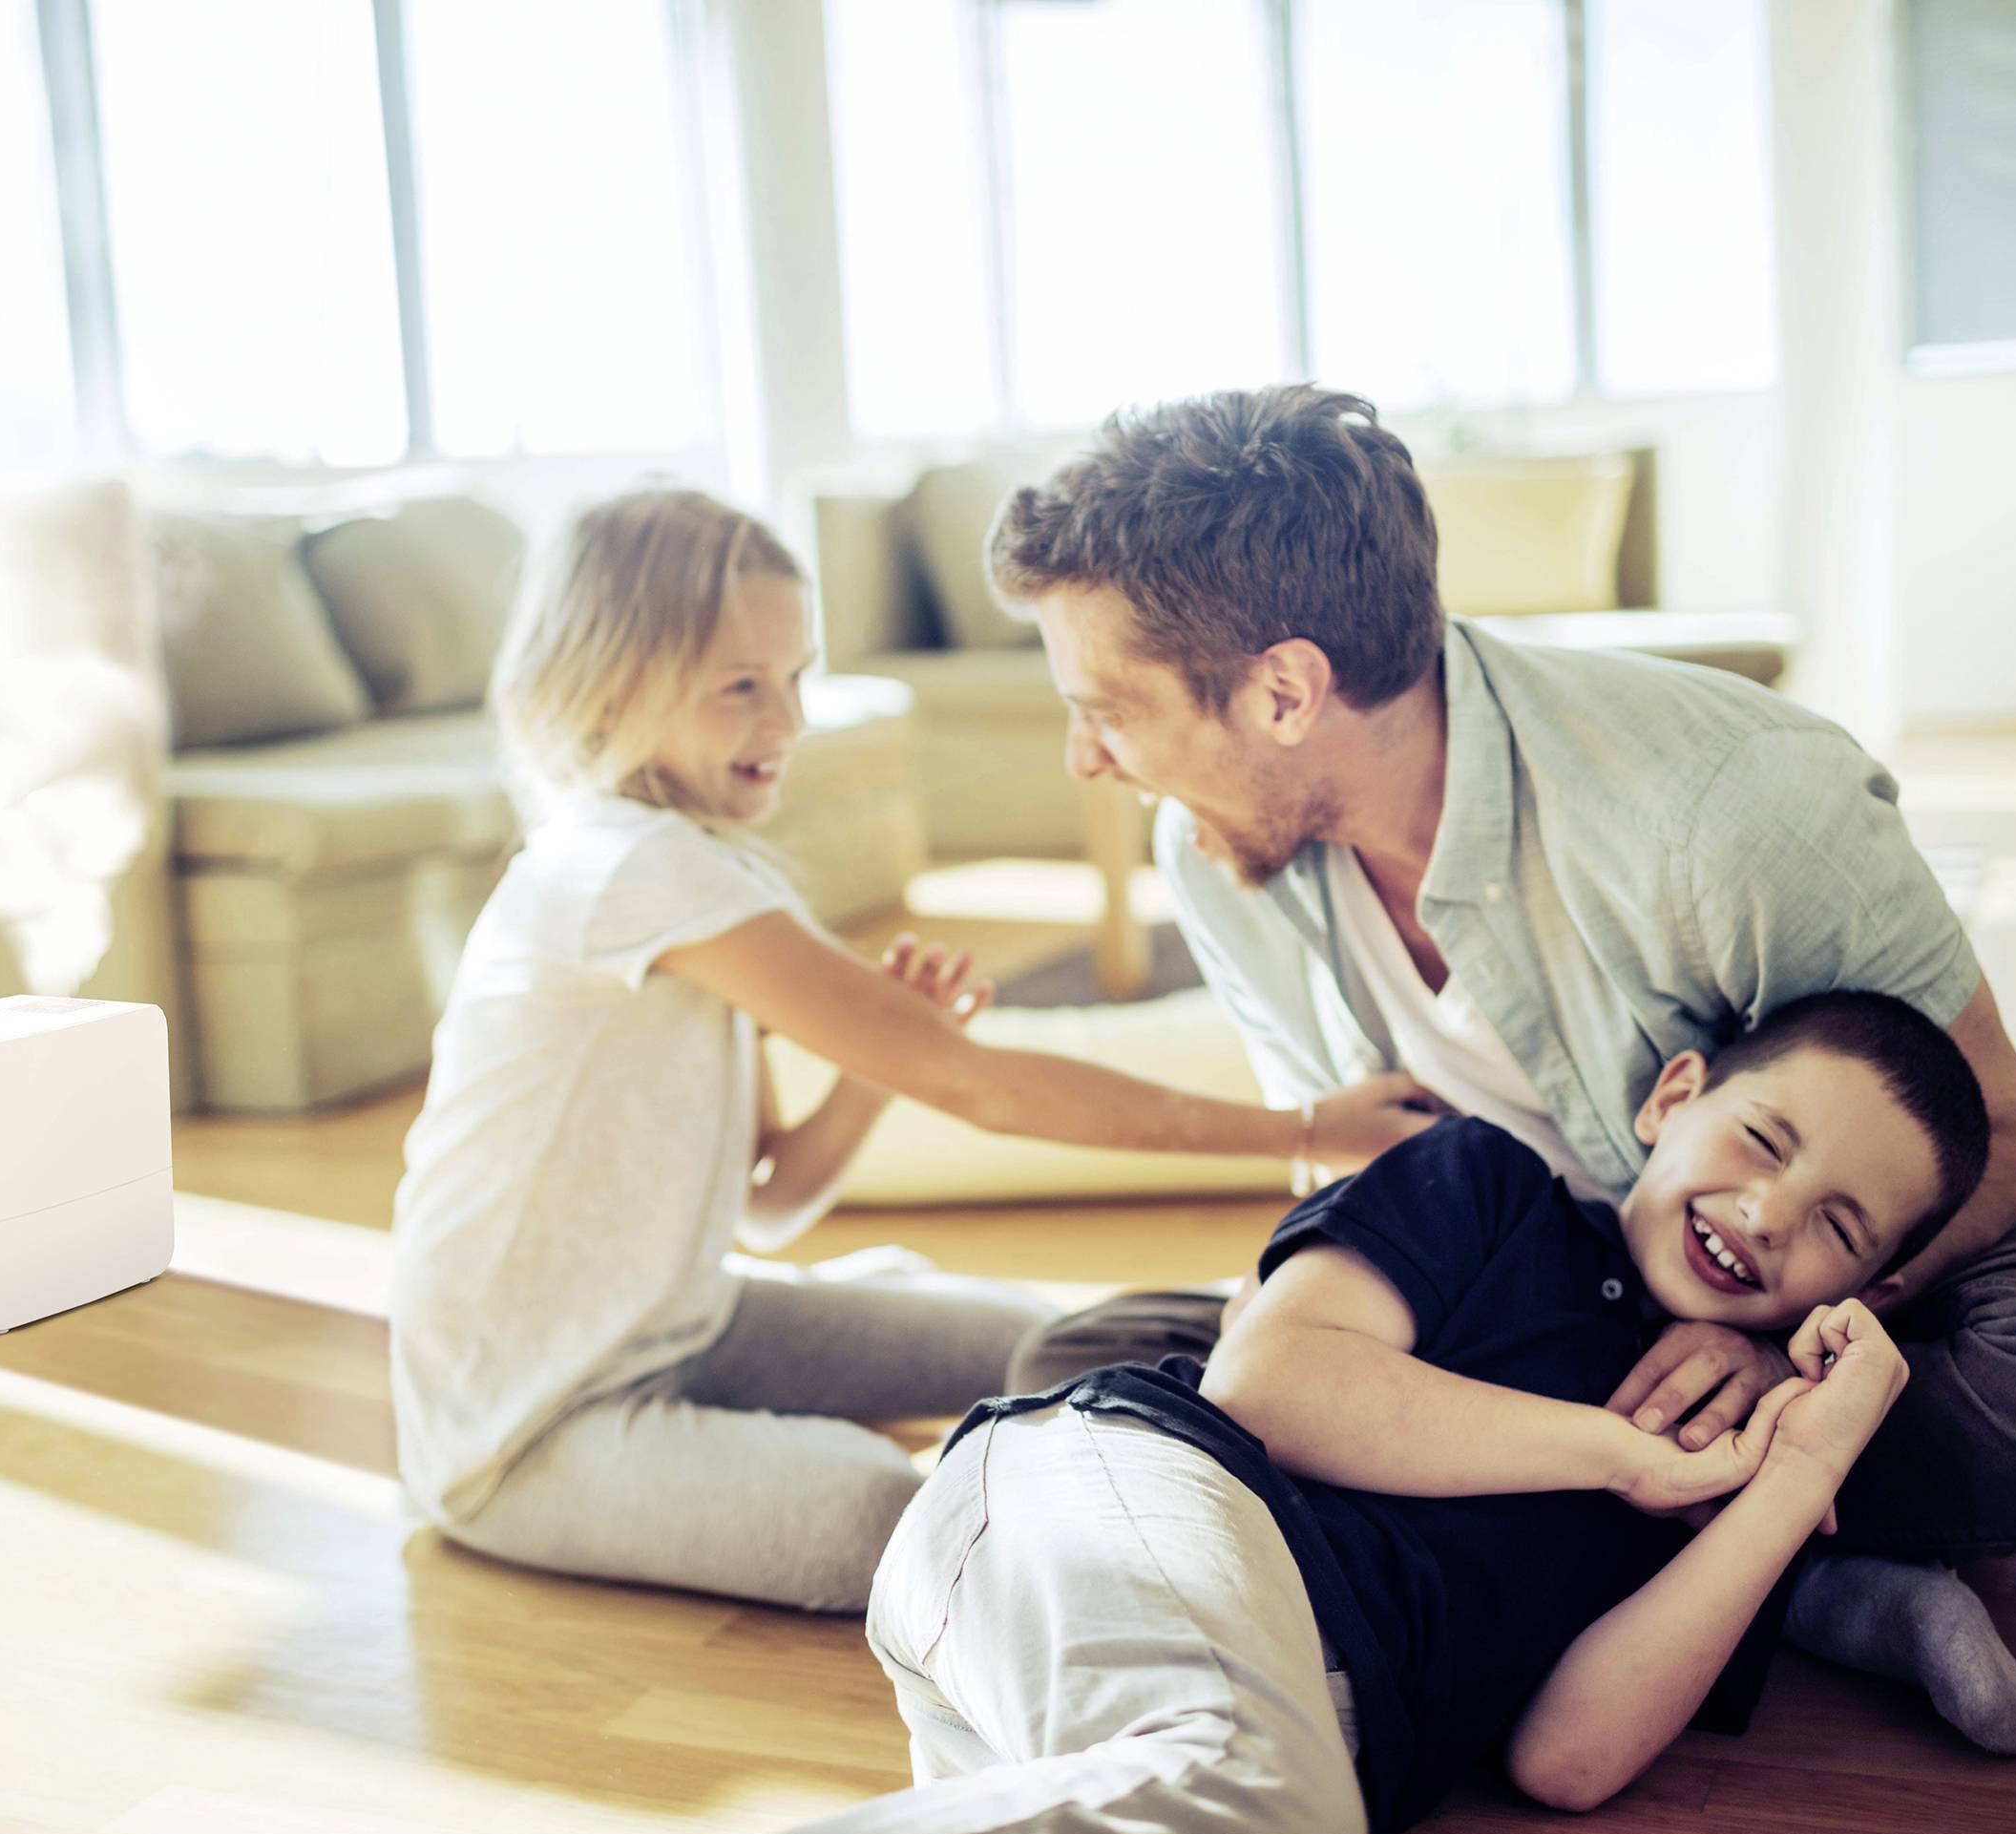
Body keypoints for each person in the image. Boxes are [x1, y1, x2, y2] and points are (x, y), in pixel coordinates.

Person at [980, 384, 2016, 1751]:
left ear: (1285, 690)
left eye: (1106, 712)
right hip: (1523, 1305)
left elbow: (1999, 1136)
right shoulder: (1219, 858)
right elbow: (1365, 1191)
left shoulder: (1727, 806)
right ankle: (1795, 1563)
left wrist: (1776, 1344)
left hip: (1851, 1278)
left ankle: (1723, 1526)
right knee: (1080, 1366)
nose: (1087, 758)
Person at [389, 487, 1438, 1613]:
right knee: (874, 1512)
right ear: (607, 682)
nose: (785, 722)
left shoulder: (692, 867)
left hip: (685, 1324)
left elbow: (771, 1206)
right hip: (526, 1427)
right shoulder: (622, 868)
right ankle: (1331, 1565)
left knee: (1068, 1344)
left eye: (794, 677)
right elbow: (981, 1090)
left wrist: (876, 1068)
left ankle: (1359, 1423)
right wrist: (1308, 1131)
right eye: (741, 686)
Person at [700, 991, 1988, 1834]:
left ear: (1862, 1293)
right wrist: (1618, 1455)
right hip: (1114, 1498)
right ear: (1671, 1097)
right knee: (1290, 1828)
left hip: (1168, 1711)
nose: (1765, 1213)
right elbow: (1274, 1385)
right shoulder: (1486, 1188)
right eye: (1760, 1141)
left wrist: (1798, 1470)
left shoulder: (1736, 1453)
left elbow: (1569, 1759)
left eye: (1835, 1226)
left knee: (1261, 1828)